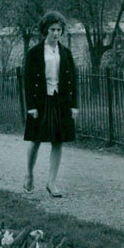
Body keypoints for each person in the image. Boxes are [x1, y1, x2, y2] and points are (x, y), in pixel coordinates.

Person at [23, 11, 79, 197]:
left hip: (60, 101)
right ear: (45, 31)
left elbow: (73, 80)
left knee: (58, 141)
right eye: (52, 29)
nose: (56, 33)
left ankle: (52, 182)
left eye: (59, 30)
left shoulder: (66, 53)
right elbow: (28, 81)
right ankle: (29, 174)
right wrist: (31, 106)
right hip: (41, 101)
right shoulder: (34, 53)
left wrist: (74, 105)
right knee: (36, 140)